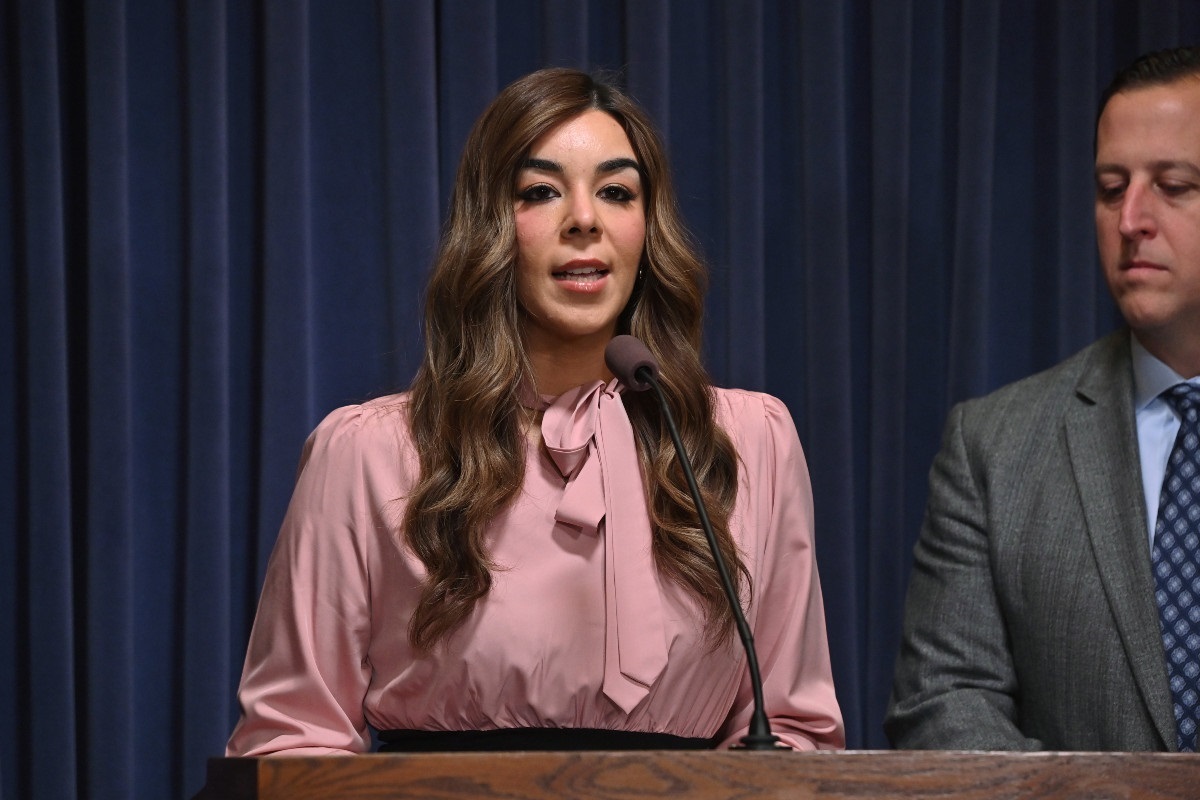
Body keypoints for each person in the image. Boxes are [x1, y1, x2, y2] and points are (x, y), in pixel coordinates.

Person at [225, 67, 843, 756]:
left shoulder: (751, 440)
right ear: (490, 228)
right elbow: (291, 742)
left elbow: (792, 730)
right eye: (541, 192)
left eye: (616, 191)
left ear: (647, 229)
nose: (585, 219)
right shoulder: (368, 453)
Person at [886, 46, 1200, 751]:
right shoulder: (994, 447)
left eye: (1174, 185)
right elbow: (943, 702)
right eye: (1111, 188)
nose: (1131, 220)